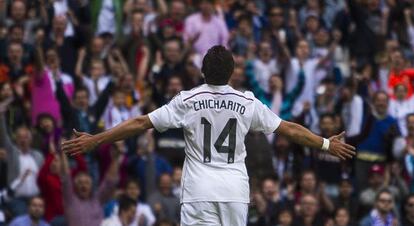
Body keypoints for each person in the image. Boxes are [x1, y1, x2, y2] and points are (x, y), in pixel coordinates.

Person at [62, 45, 355, 226]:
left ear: (202, 71)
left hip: (199, 192)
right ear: (232, 73)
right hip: (234, 193)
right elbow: (288, 128)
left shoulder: (187, 100)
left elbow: (140, 123)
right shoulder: (248, 102)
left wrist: (95, 139)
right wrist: (327, 143)